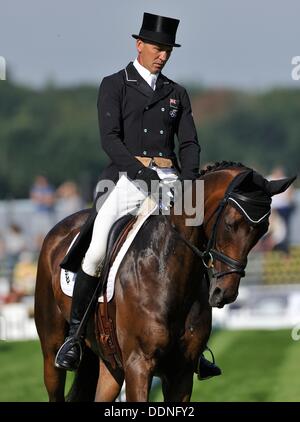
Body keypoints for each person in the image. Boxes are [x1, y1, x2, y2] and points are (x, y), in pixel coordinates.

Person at [55, 12, 221, 380]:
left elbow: (190, 143)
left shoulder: (177, 92)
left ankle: (197, 342)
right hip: (127, 179)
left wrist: (189, 182)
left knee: (200, 245)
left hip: (172, 179)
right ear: (140, 44)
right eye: (158, 48)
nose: (163, 56)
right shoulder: (114, 84)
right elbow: (110, 141)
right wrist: (145, 175)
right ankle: (74, 334)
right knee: (98, 245)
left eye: (168, 51)